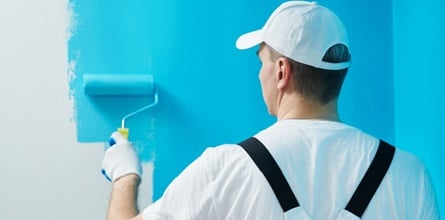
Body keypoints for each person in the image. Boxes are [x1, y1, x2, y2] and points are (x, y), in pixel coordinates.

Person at [100, 1, 440, 219]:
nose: (259, 73)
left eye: (262, 61)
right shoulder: (409, 175)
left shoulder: (225, 168)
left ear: (281, 72)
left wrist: (125, 174)